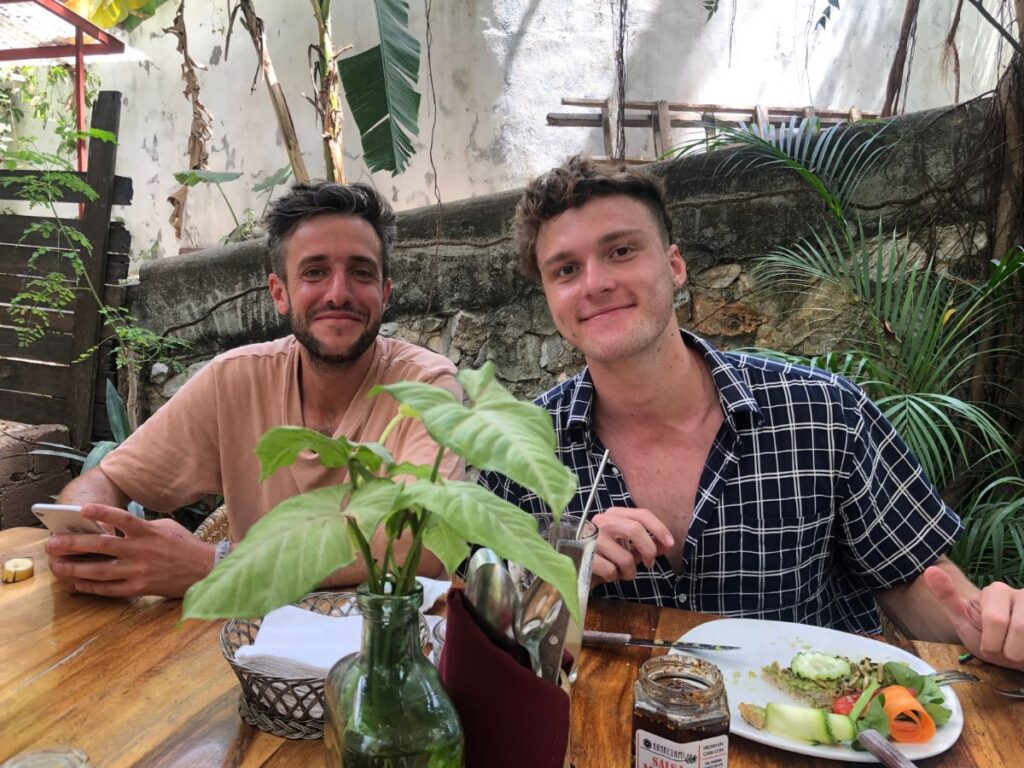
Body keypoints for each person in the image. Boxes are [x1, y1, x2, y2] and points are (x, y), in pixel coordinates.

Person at [480, 155, 1024, 671]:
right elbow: (486, 615)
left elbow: (909, 580)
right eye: (566, 269)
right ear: (550, 298)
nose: (595, 283)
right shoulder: (520, 451)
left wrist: (984, 622)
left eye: (621, 251)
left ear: (674, 266)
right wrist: (556, 570)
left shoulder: (825, 413)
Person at [46, 181, 461, 598]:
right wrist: (81, 531)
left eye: (361, 272)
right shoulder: (234, 379)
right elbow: (109, 479)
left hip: (394, 646)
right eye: (315, 272)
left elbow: (424, 544)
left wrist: (217, 563)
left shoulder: (427, 385)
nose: (339, 293)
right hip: (252, 648)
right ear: (280, 293)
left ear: (385, 294)